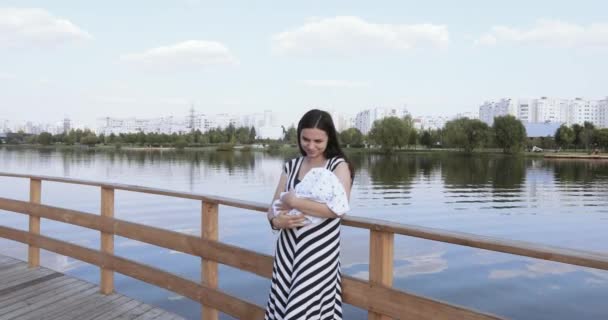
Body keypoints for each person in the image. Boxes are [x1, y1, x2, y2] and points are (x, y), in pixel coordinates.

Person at [265, 109, 354, 320]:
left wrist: (294, 202)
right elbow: (273, 207)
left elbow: (337, 209)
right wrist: (276, 221)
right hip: (287, 250)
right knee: (284, 308)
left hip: (318, 253)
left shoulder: (338, 166)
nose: (311, 146)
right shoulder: (292, 165)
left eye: (318, 141)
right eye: (305, 139)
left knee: (305, 311)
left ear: (329, 138)